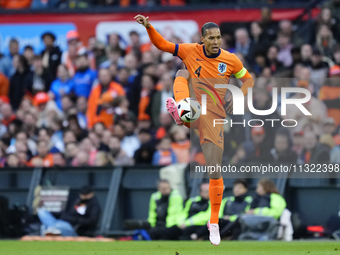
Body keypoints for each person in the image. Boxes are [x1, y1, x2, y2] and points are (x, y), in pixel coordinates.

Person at [135, 14, 254, 246]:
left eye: (219, 37)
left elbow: (248, 80)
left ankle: (213, 222)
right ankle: (182, 109)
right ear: (202, 39)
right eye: (212, 38)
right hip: (195, 107)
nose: (217, 41)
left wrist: (238, 94)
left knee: (215, 172)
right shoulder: (190, 51)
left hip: (214, 117)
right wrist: (149, 27)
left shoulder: (231, 60)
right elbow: (163, 45)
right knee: (182, 73)